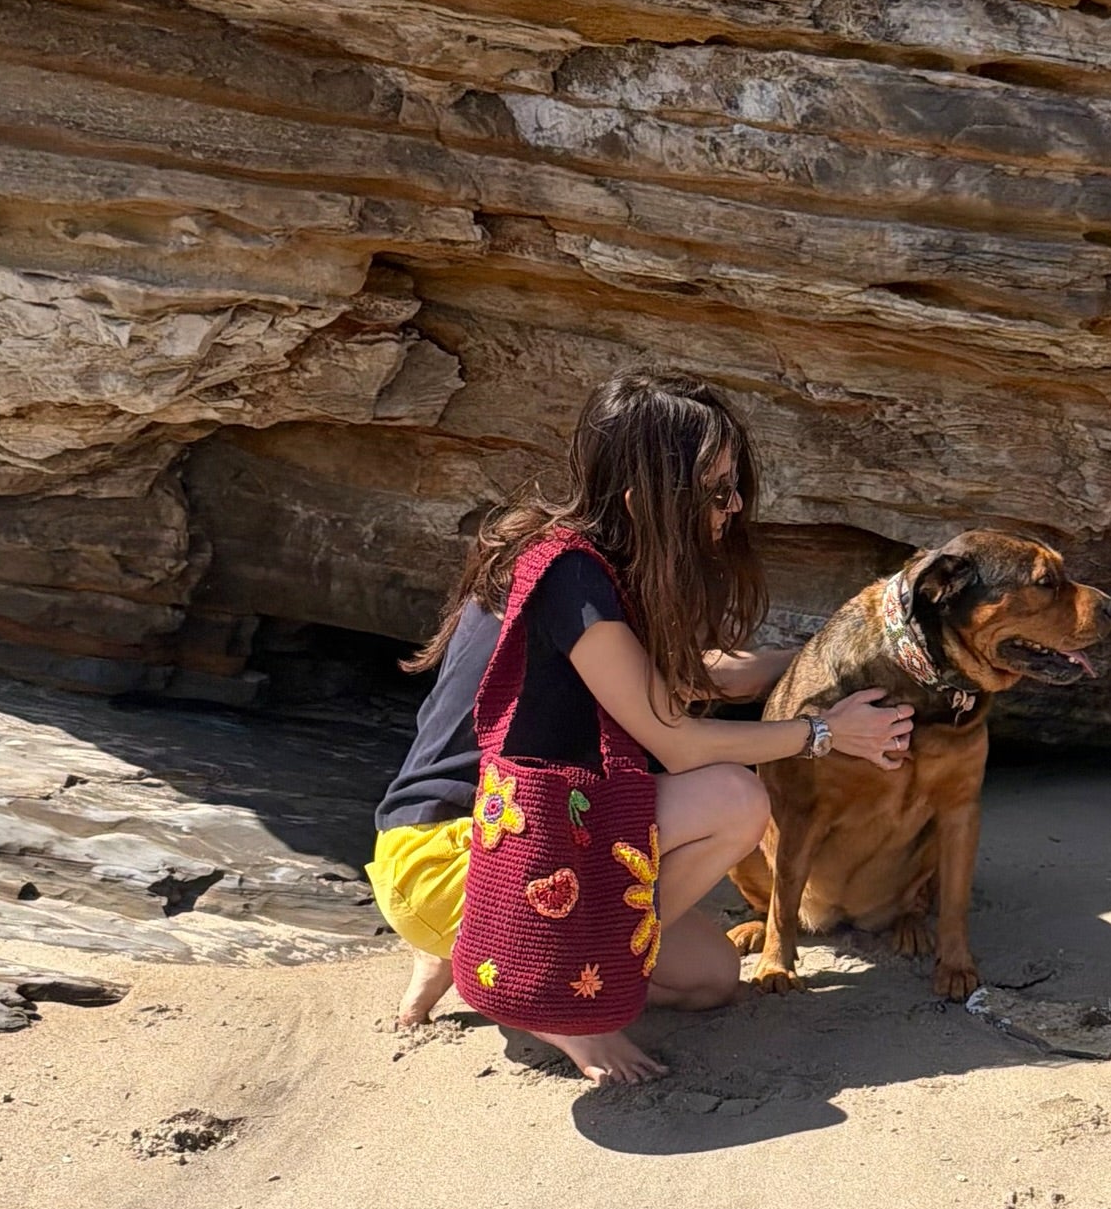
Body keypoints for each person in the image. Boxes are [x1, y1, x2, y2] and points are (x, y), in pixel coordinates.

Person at [365, 369, 913, 1083]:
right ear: (645, 496)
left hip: (492, 849)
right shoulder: (569, 579)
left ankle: (461, 952)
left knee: (710, 977)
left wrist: (832, 658)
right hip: (453, 858)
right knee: (734, 798)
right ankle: (553, 997)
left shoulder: (574, 556)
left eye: (734, 484)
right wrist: (824, 734)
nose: (734, 505)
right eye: (717, 490)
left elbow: (701, 676)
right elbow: (676, 741)